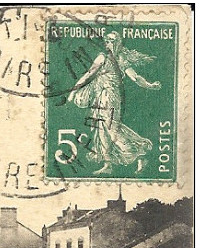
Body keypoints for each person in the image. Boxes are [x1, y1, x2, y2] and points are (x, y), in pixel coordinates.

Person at [67, 31, 161, 175]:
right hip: (99, 96)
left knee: (112, 129)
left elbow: (135, 77)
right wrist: (74, 90)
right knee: (100, 129)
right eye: (108, 40)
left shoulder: (121, 59)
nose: (110, 43)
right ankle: (108, 164)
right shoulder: (102, 57)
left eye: (113, 40)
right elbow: (88, 75)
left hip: (111, 97)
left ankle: (139, 154)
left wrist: (150, 85)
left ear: (118, 42)